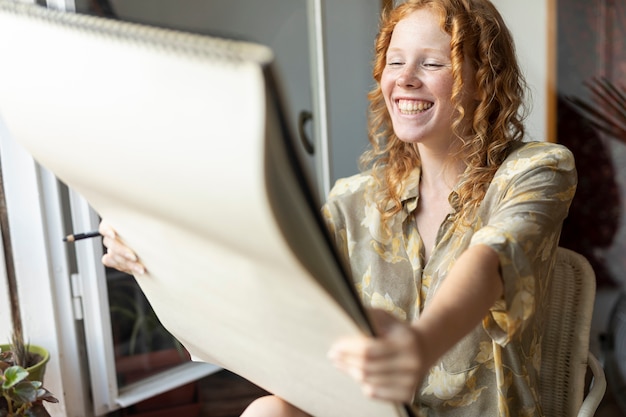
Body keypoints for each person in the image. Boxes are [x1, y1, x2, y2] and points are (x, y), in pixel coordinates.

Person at [100, 0, 577, 415]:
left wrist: (420, 344)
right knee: (267, 412)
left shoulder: (538, 171)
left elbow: (492, 258)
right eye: (395, 62)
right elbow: (272, 273)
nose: (405, 79)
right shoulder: (353, 200)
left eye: (433, 64)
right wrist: (153, 249)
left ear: (482, 79)